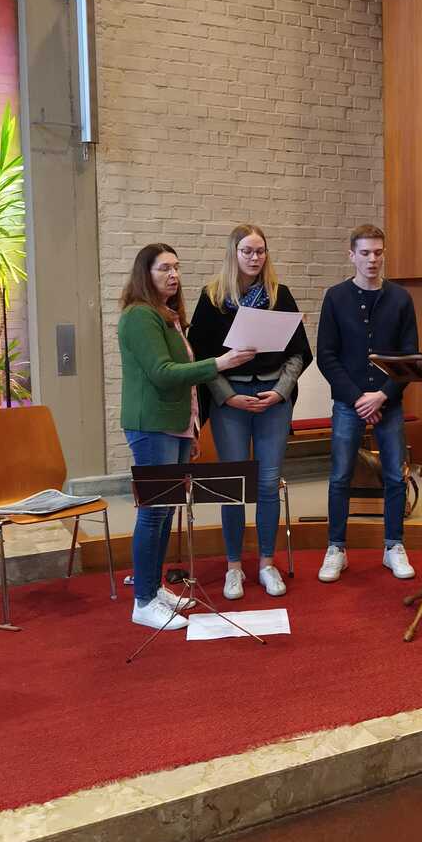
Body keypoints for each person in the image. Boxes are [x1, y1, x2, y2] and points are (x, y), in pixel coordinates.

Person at [119, 243, 256, 631]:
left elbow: (184, 381)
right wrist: (220, 363)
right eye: (164, 268)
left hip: (174, 425)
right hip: (152, 426)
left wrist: (191, 429)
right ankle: (143, 602)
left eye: (176, 267)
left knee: (166, 512)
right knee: (154, 512)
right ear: (145, 274)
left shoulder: (166, 315)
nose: (173, 275)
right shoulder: (139, 316)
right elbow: (163, 373)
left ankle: (154, 588)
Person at [188, 224, 312, 600]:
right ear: (234, 253)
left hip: (273, 398)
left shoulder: (279, 294)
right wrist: (227, 396)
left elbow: (298, 352)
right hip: (231, 400)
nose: (255, 258)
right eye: (247, 251)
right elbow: (201, 358)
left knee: (268, 483)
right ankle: (233, 567)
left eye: (260, 251)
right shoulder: (212, 298)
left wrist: (281, 391)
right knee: (233, 485)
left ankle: (267, 564)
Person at [316, 223, 419, 582]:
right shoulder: (335, 297)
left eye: (378, 252)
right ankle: (336, 548)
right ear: (352, 255)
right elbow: (326, 356)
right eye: (365, 253)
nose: (372, 259)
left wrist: (383, 395)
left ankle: (393, 546)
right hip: (349, 402)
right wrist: (359, 398)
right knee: (340, 476)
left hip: (388, 400)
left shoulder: (401, 298)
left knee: (394, 476)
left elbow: (410, 357)